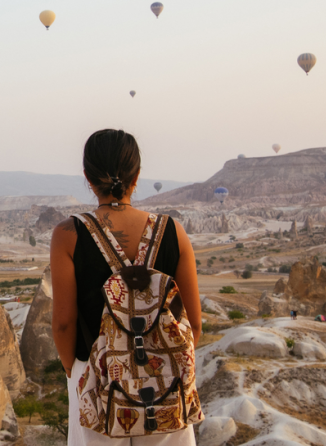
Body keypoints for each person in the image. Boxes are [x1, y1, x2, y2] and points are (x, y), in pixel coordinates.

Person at [51, 129, 201, 445]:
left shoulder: (68, 233)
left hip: (97, 375)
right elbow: (194, 324)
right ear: (137, 176)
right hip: (165, 379)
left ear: (87, 178)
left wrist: (74, 371)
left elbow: (64, 323)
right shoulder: (174, 231)